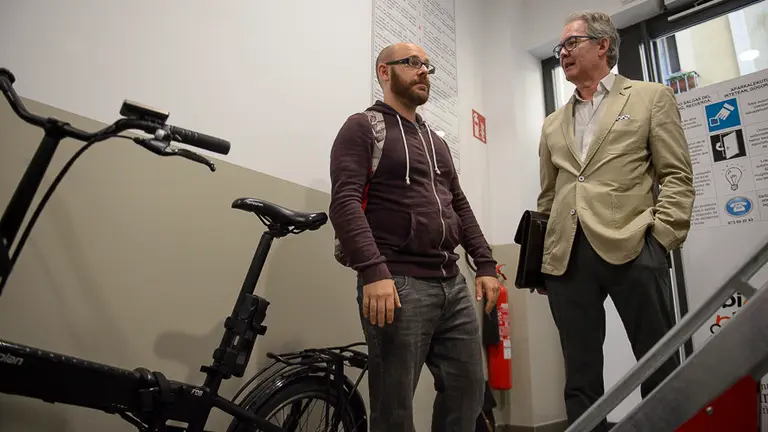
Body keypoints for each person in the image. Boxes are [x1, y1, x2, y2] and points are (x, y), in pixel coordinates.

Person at [328, 42, 500, 432]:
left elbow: (459, 204)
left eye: (427, 66)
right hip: (398, 284)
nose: (423, 71)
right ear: (384, 72)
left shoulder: (436, 141)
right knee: (394, 407)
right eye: (412, 63)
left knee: (468, 392)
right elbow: (344, 203)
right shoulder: (362, 127)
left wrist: (485, 263)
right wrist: (374, 272)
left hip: (451, 285)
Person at [536, 11, 695, 431]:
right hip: (567, 257)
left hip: (634, 245)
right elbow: (549, 196)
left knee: (657, 358)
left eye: (572, 43)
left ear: (603, 45)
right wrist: (543, 257)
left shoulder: (650, 97)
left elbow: (676, 175)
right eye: (560, 48)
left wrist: (660, 239)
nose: (563, 53)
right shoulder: (553, 123)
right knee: (580, 373)